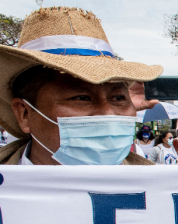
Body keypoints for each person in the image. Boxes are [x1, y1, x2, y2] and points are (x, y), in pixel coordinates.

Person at [0, 6, 162, 166]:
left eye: (119, 98)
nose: (107, 113)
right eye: (82, 98)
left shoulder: (160, 188)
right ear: (24, 114)